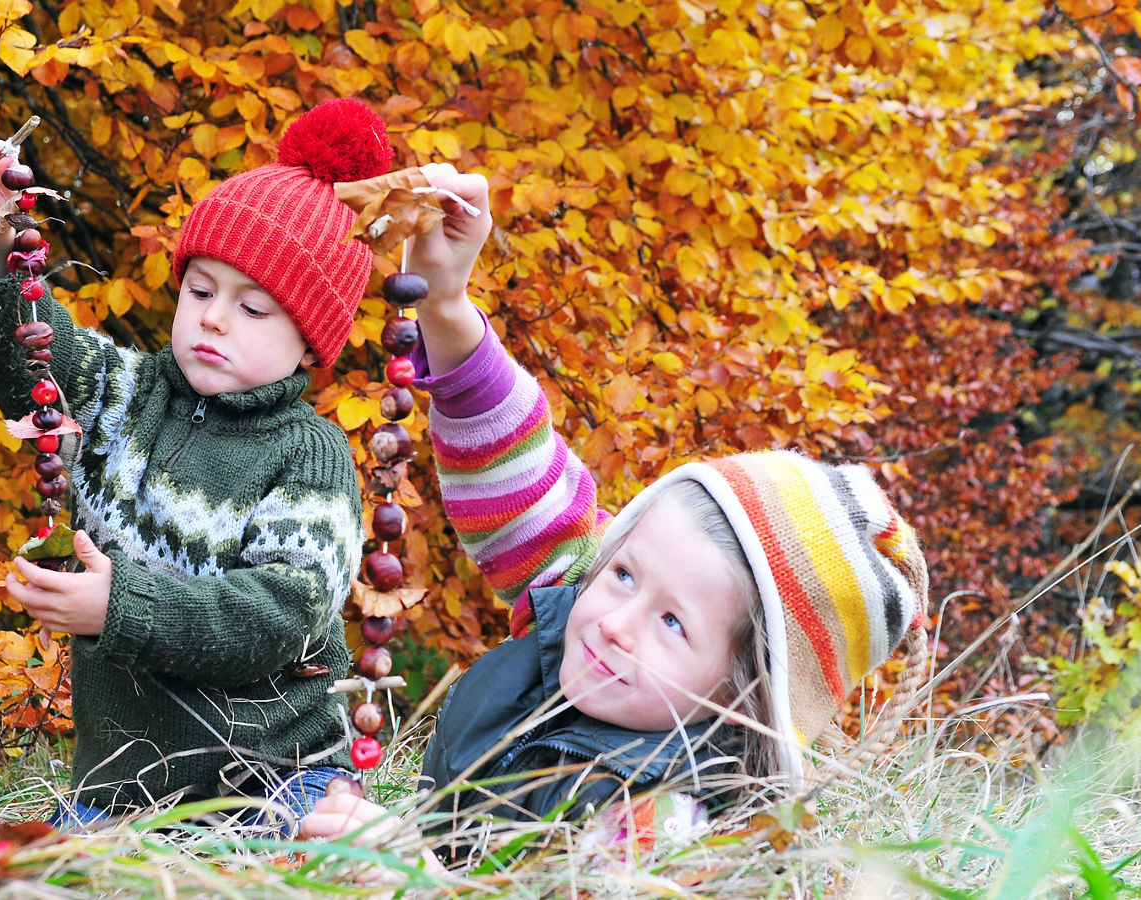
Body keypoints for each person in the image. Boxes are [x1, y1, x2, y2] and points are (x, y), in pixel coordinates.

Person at [300, 164, 931, 865]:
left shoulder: (678, 828)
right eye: (626, 573)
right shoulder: (578, 614)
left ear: (741, 697)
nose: (617, 623)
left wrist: (408, 874)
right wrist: (445, 305)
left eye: (673, 623)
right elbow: (518, 475)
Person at [0, 100, 397, 828]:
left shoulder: (308, 456)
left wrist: (117, 609)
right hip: (120, 793)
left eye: (254, 308)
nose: (214, 317)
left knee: (295, 865)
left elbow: (276, 616)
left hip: (275, 783)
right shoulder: (125, 395)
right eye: (202, 290)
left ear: (311, 342)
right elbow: (35, 358)